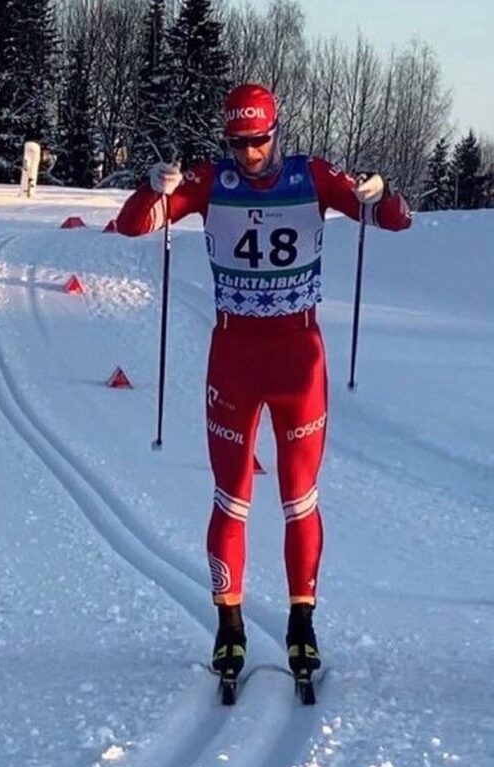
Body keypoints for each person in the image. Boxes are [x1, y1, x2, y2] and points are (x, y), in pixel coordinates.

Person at [116, 83, 411, 684]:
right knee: (231, 497)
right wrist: (154, 188)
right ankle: (230, 629)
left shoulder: (313, 176)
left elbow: (394, 219)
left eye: (258, 141)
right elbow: (131, 228)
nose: (248, 154)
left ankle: (302, 624)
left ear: (277, 133)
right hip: (235, 356)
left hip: (298, 355)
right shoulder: (209, 182)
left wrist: (379, 193)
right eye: (237, 143)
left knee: (299, 496)